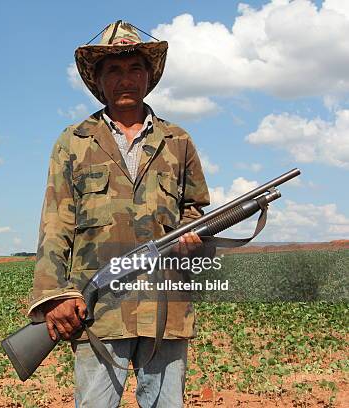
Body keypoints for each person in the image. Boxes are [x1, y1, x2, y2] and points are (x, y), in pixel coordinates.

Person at [29, 21, 210, 407]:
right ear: (98, 79)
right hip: (98, 310)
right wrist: (54, 296)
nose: (125, 78)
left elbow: (196, 211)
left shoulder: (178, 141)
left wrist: (194, 235)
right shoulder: (72, 142)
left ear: (149, 76)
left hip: (165, 307)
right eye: (113, 69)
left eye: (134, 69)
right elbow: (54, 226)